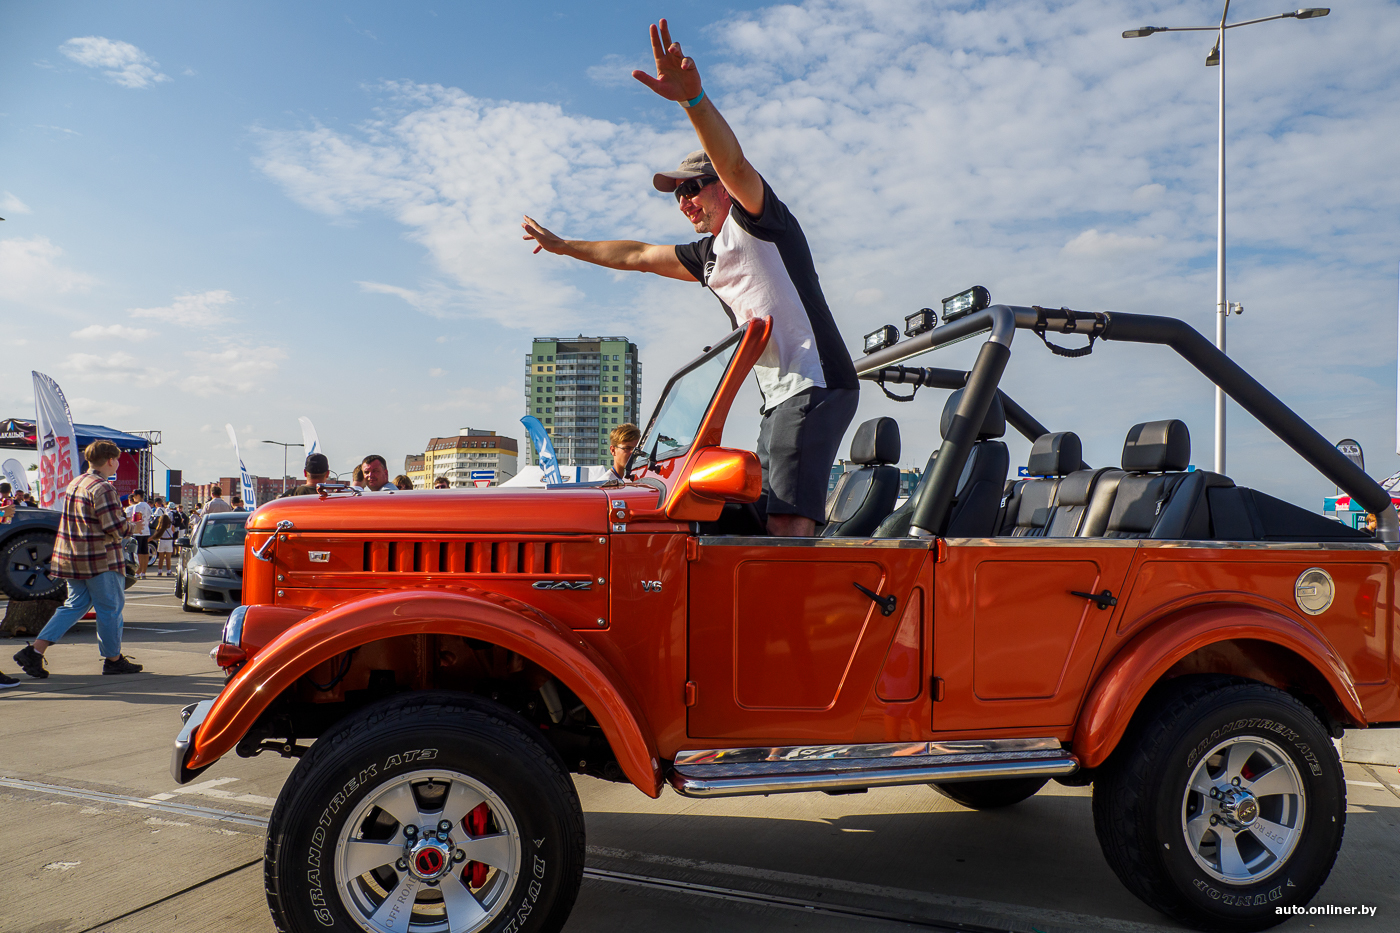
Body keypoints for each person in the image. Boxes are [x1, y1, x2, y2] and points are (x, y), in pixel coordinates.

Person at [522, 19, 858, 536]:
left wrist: (692, 98)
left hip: (815, 383)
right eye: (675, 195)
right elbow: (634, 255)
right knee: (753, 516)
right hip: (778, 397)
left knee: (789, 525)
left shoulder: (759, 220)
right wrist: (564, 247)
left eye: (692, 188)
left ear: (720, 186)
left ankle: (789, 613)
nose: (683, 201)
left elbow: (736, 162)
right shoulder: (707, 256)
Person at [12, 440, 143, 678]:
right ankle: (113, 659)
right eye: (118, 460)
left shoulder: (76, 482)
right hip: (100, 558)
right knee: (110, 609)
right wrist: (133, 526)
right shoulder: (103, 487)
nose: (118, 465)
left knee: (75, 605)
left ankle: (35, 651)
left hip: (72, 555)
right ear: (110, 460)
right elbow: (114, 526)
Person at [125, 488, 152, 580]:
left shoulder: (137, 506)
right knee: (145, 552)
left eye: (134, 496)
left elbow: (136, 520)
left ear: (138, 496)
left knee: (138, 552)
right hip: (146, 530)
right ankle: (144, 572)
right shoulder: (148, 506)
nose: (133, 498)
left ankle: (138, 571)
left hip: (138, 531)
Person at [150, 496, 175, 576]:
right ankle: (169, 571)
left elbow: (156, 533)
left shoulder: (160, 526)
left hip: (162, 541)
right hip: (169, 541)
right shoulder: (171, 526)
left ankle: (160, 571)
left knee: (161, 558)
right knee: (168, 558)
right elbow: (173, 532)